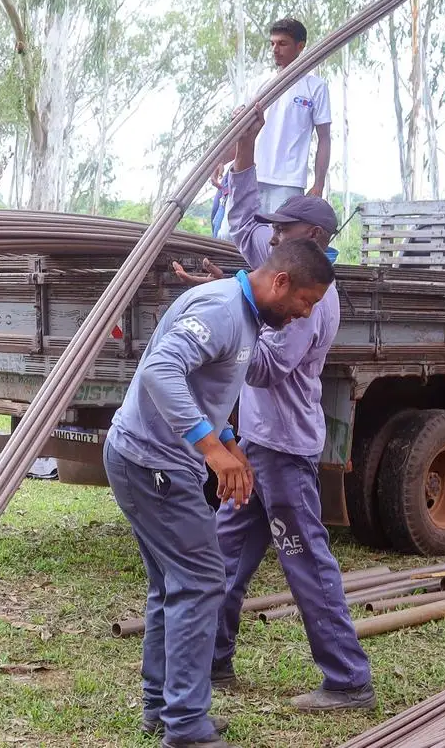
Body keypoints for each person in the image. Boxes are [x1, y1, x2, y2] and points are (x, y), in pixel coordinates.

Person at [175, 108, 375, 711]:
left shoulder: (313, 299)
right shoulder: (288, 266)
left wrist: (234, 317)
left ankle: (347, 680)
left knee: (306, 560)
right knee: (223, 554)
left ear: (312, 240)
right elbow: (244, 227)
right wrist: (245, 149)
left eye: (286, 229)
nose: (275, 236)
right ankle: (214, 661)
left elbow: (268, 363)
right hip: (257, 445)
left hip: (285, 450)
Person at [106, 233, 335, 748]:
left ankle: (162, 708)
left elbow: (206, 383)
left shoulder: (246, 316)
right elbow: (161, 373)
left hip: (148, 456)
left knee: (173, 583)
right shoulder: (222, 310)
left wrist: (231, 442)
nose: (305, 314)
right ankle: (186, 725)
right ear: (280, 281)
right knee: (202, 580)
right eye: (305, 301)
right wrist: (211, 450)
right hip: (152, 462)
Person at [246, 18, 331, 212]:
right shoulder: (258, 85)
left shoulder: (315, 87)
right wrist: (221, 162)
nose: (275, 49)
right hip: (251, 176)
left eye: (282, 43)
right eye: (272, 43)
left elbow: (324, 138)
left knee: (280, 238)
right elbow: (244, 132)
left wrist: (319, 184)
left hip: (289, 182)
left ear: (300, 46)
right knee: (231, 237)